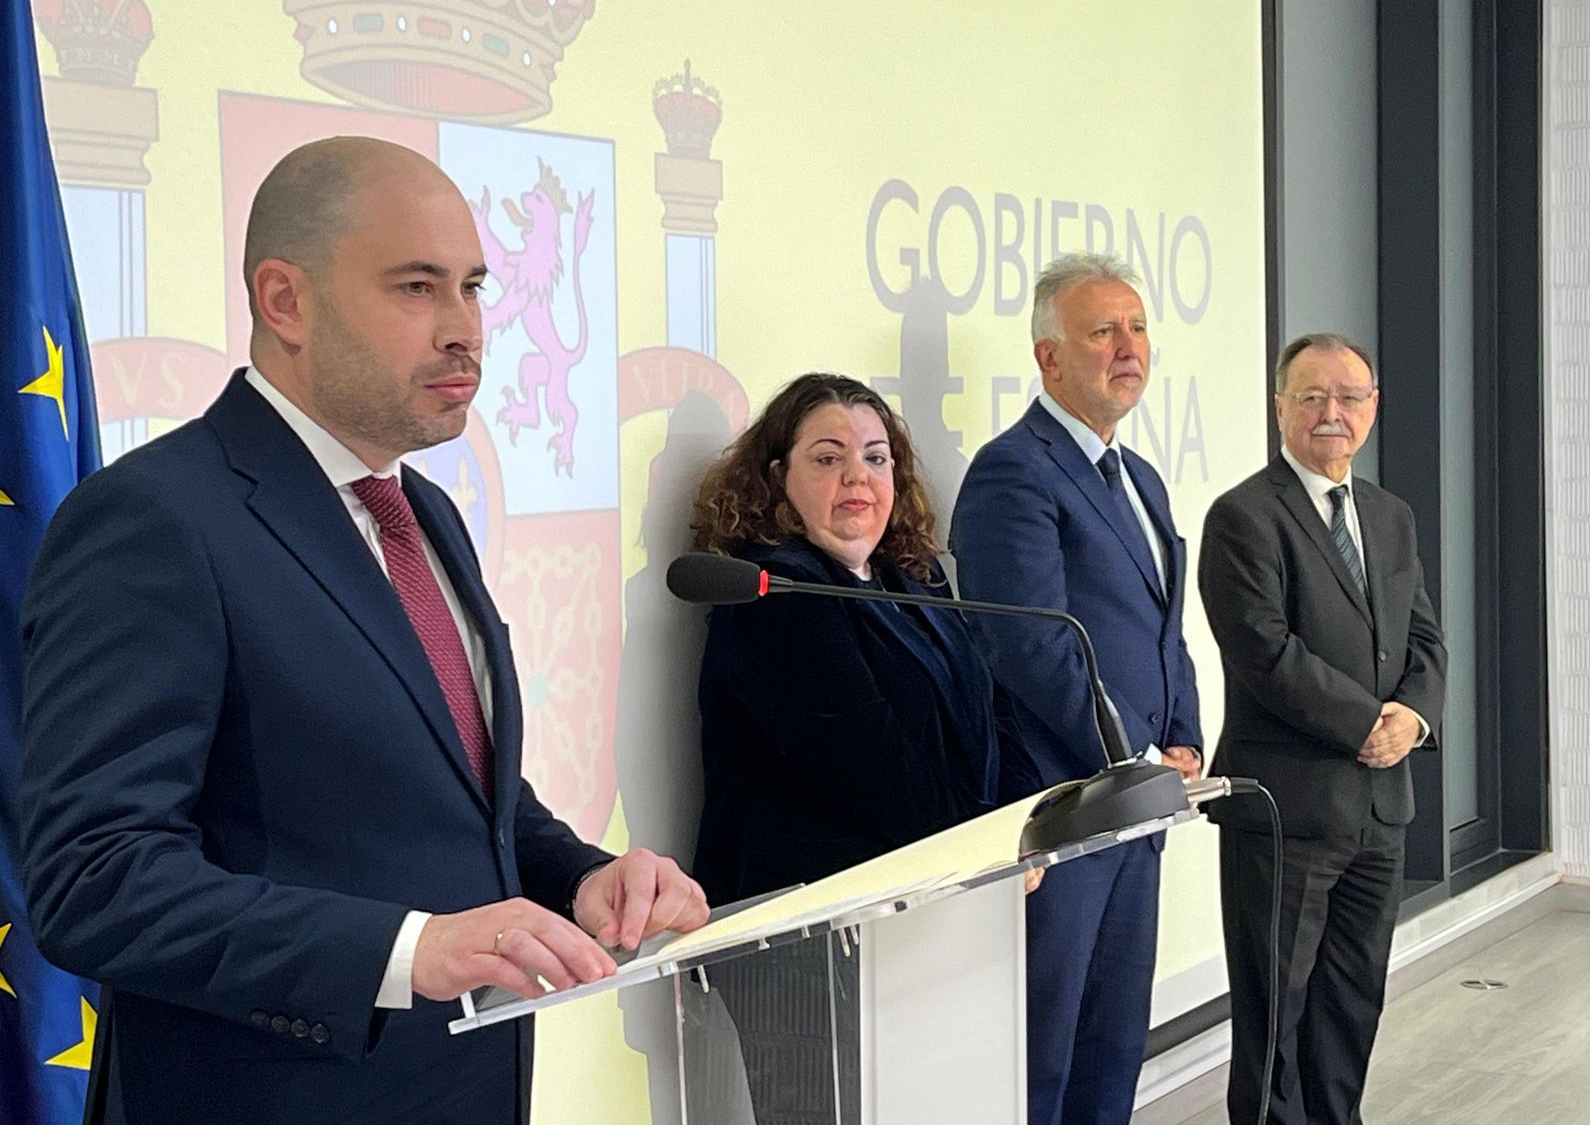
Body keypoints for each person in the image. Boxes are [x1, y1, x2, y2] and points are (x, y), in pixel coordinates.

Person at [17, 136, 708, 1125]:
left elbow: (460, 797)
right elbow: (96, 880)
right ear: (284, 301)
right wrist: (405, 951)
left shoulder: (424, 514)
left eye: (473, 288)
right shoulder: (156, 519)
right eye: (417, 288)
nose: (464, 329)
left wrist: (585, 879)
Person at [688, 373, 1040, 1125]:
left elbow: (993, 711)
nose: (858, 476)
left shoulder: (913, 579)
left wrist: (1019, 831)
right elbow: (869, 762)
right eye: (828, 458)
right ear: (777, 479)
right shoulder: (771, 595)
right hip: (803, 937)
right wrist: (983, 854)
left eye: (876, 458)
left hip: (923, 917)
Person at [950, 252, 1203, 1125]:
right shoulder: (1013, 471)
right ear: (1049, 357)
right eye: (1103, 331)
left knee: (1113, 1050)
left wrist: (1184, 738)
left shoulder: (1141, 478)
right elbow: (1031, 647)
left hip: (1138, 808)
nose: (1128, 347)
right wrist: (1137, 755)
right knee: (1042, 1062)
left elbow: (1164, 632)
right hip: (1062, 812)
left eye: (1137, 328)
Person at [1198, 333, 1445, 1125]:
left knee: (1350, 1006)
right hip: (1287, 813)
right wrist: (1366, 722)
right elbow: (1264, 652)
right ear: (1280, 409)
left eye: (1349, 397)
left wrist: (1412, 717)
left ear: (1373, 408)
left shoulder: (1390, 515)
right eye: (1311, 397)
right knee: (1277, 1017)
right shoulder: (1243, 516)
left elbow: (1424, 640)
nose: (1331, 412)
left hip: (1380, 809)